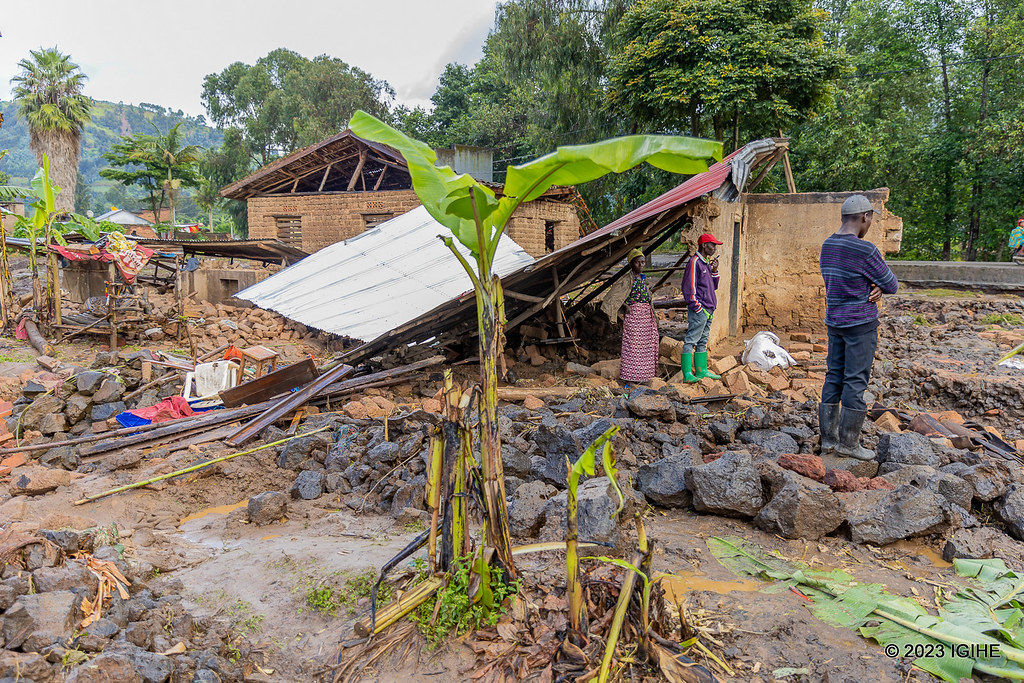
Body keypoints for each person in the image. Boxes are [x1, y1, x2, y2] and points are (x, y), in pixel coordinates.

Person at [819, 194, 899, 460]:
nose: (870, 223)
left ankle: (828, 441)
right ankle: (849, 444)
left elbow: (840, 280)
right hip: (860, 324)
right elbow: (891, 284)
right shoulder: (866, 250)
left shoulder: (828, 245)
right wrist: (876, 286)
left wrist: (873, 285)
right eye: (870, 219)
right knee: (855, 381)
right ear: (865, 217)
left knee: (834, 376)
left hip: (835, 321)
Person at [601, 248, 659, 384]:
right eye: (638, 262)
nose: (641, 265)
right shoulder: (626, 279)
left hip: (646, 316)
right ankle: (630, 378)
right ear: (631, 264)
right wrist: (625, 305)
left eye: (643, 262)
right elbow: (613, 296)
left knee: (647, 346)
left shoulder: (642, 279)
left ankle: (645, 376)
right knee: (633, 346)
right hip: (634, 316)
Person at [681, 233, 722, 382]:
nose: (714, 248)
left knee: (702, 341)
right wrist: (698, 308)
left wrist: (714, 271)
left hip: (708, 310)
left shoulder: (705, 263)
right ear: (704, 245)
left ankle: (701, 371)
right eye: (712, 245)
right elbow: (688, 288)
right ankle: (687, 374)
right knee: (691, 340)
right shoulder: (695, 262)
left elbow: (713, 287)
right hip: (700, 310)